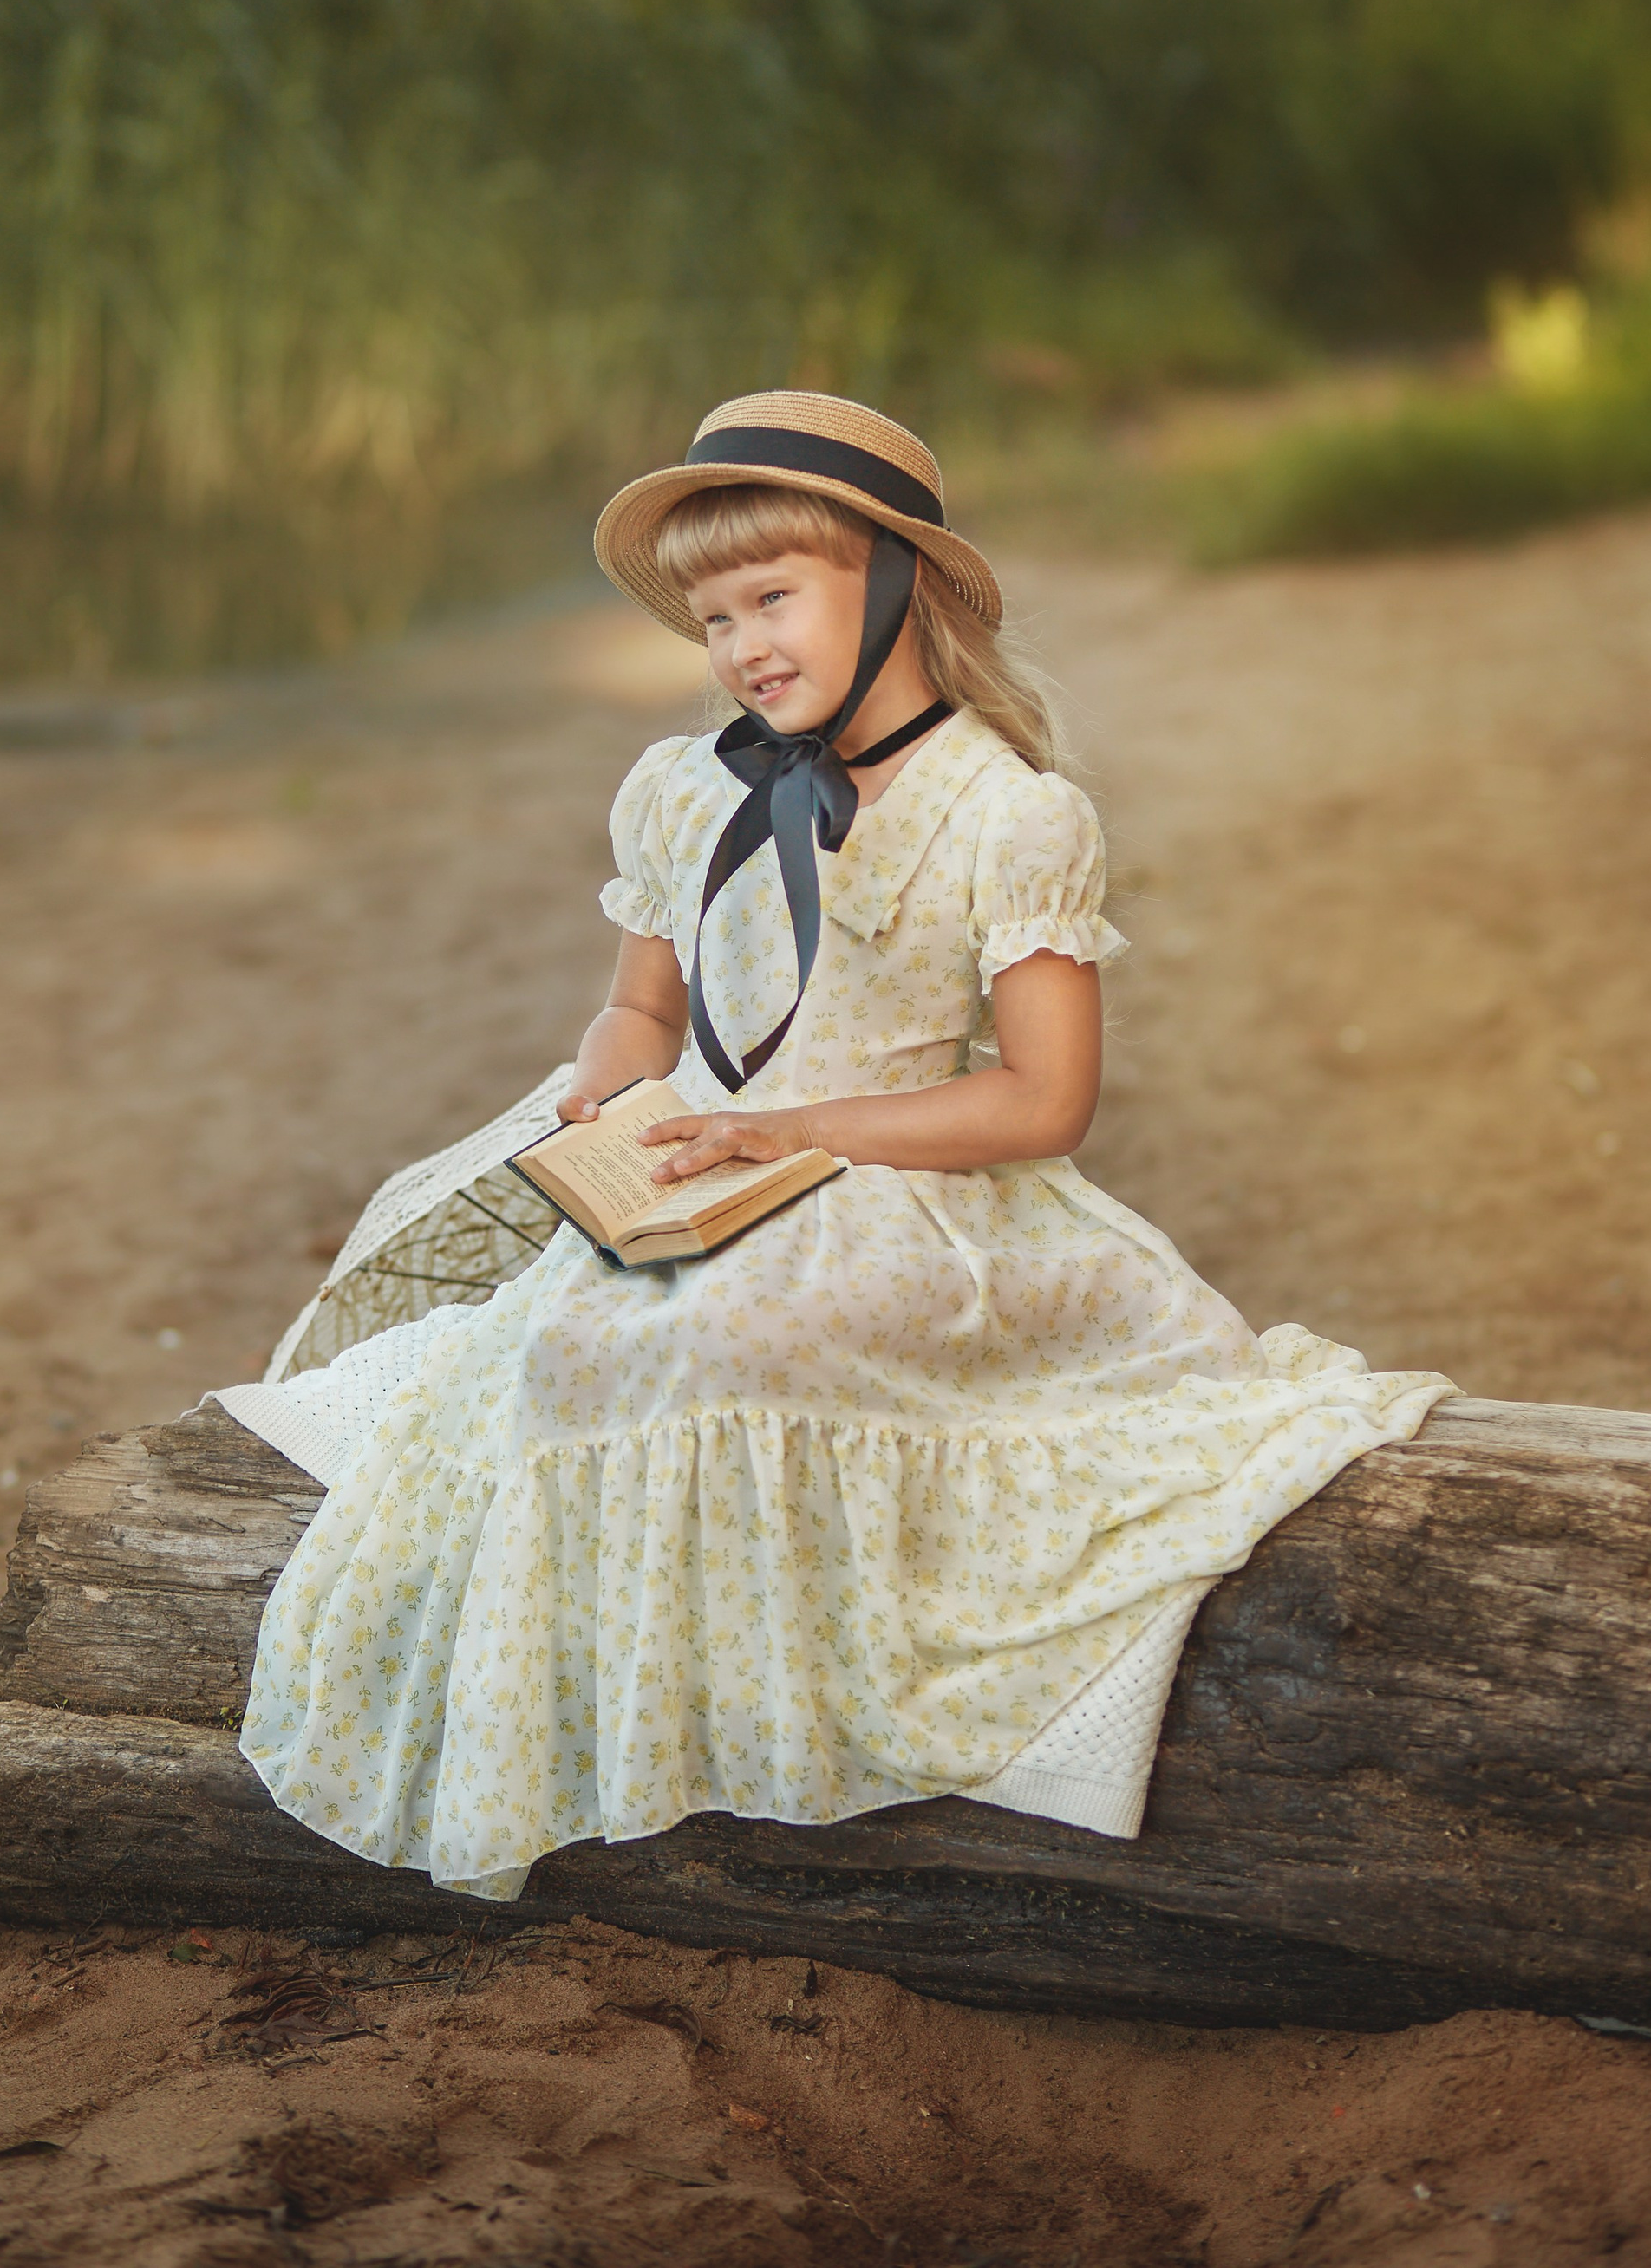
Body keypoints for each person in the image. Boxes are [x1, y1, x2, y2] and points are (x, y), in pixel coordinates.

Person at [207, 391, 1451, 1900]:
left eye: (772, 597)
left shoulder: (1008, 813)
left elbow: (1043, 1100)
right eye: (713, 618)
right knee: (560, 1344)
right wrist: (605, 1092)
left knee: (727, 1342)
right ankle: (601, 1731)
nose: (741, 645)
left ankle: (795, 1739)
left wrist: (791, 1128)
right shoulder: (684, 793)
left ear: (895, 586)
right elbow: (640, 1009)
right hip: (706, 1161)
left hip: (906, 1184)